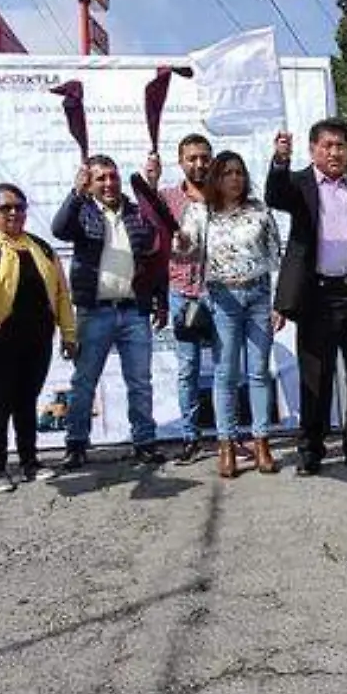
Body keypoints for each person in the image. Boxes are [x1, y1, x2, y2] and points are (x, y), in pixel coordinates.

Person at [266, 120, 347, 477]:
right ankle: (311, 451)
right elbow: (275, 194)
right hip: (318, 297)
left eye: (341, 146)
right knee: (315, 378)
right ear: (313, 150)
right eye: (327, 146)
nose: (335, 153)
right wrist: (279, 160)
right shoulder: (299, 184)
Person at [0, 184, 77, 493]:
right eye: (5, 207)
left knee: (26, 400)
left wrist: (69, 333)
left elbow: (61, 294)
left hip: (36, 338)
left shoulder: (41, 248)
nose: (13, 213)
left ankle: (30, 463)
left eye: (19, 207)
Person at [52, 155, 166, 470]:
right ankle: (76, 444)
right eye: (100, 178)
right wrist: (76, 193)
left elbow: (155, 257)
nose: (109, 183)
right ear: (90, 183)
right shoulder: (83, 212)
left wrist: (161, 300)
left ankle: (144, 442)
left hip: (134, 310)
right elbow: (59, 228)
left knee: (140, 382)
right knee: (84, 381)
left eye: (113, 177)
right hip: (95, 311)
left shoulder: (135, 212)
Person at [177, 152, 284, 479]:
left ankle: (261, 441)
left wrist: (279, 303)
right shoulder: (199, 212)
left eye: (239, 172)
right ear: (215, 179)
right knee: (225, 374)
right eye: (226, 173)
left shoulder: (260, 210)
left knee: (259, 372)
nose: (234, 178)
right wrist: (180, 242)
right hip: (222, 297)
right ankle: (226, 444)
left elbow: (275, 256)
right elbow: (185, 252)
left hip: (259, 296)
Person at [139, 134, 215, 464]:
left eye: (204, 157)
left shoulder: (223, 195)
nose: (199, 163)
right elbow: (148, 219)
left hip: (222, 292)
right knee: (188, 369)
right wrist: (150, 183)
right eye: (192, 158)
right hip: (182, 291)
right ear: (181, 161)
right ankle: (190, 438)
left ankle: (228, 436)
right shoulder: (169, 197)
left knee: (227, 367)